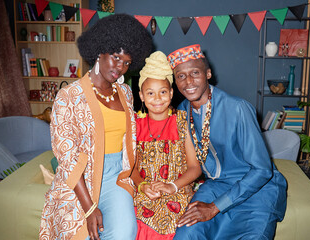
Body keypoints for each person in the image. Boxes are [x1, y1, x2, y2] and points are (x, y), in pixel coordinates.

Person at [39, 14, 152, 240]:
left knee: (124, 233)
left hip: (115, 177)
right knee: (79, 234)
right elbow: (68, 158)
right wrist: (90, 208)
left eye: (127, 62)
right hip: (79, 180)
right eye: (116, 57)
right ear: (100, 51)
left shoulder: (126, 94)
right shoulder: (68, 96)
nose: (120, 67)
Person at [167, 44, 287, 239]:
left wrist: (215, 207)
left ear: (208, 73)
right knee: (186, 233)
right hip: (216, 186)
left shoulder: (238, 108)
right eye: (180, 75)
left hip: (258, 190)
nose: (188, 81)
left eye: (195, 72)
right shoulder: (181, 112)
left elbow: (262, 170)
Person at [133, 51, 202, 240]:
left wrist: (171, 186)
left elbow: (195, 168)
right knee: (135, 223)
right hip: (146, 193)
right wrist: (142, 186)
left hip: (177, 190)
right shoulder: (135, 126)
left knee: (177, 224)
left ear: (171, 93)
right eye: (150, 93)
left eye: (163, 92)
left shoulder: (182, 122)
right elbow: (132, 169)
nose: (157, 98)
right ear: (141, 95)